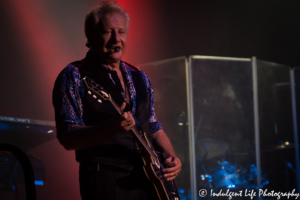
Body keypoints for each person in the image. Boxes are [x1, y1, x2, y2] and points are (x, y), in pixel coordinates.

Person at [52, 2, 181, 200]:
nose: (116, 39)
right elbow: (67, 136)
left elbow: (153, 125)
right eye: (107, 32)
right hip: (105, 178)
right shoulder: (74, 75)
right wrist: (109, 129)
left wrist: (172, 161)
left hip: (150, 180)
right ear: (91, 37)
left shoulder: (140, 77)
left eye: (121, 32)